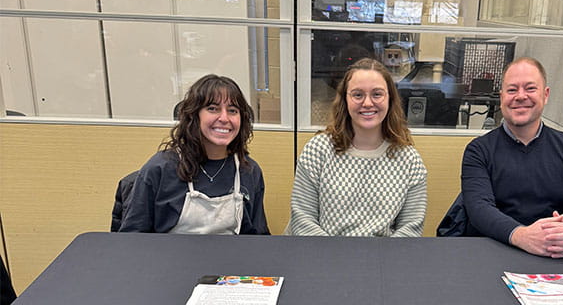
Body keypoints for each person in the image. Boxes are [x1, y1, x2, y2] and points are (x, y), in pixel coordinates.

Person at [461, 57, 563, 257]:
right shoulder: (478, 151)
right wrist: (523, 236)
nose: (521, 96)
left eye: (530, 88)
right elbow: (479, 210)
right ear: (501, 96)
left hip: (558, 253)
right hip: (495, 250)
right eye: (512, 90)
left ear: (545, 95)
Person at [289, 58, 427, 237]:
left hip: (383, 259)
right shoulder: (318, 150)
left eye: (377, 94)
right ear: (345, 99)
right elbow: (302, 220)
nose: (368, 103)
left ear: (390, 99)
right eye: (358, 94)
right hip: (325, 256)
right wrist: (336, 259)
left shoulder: (409, 160)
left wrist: (378, 261)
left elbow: (411, 229)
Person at [120, 74, 268, 235]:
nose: (224, 118)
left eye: (232, 110)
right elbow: (132, 238)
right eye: (213, 108)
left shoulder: (249, 171)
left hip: (229, 259)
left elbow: (257, 239)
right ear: (194, 115)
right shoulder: (160, 169)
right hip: (168, 258)